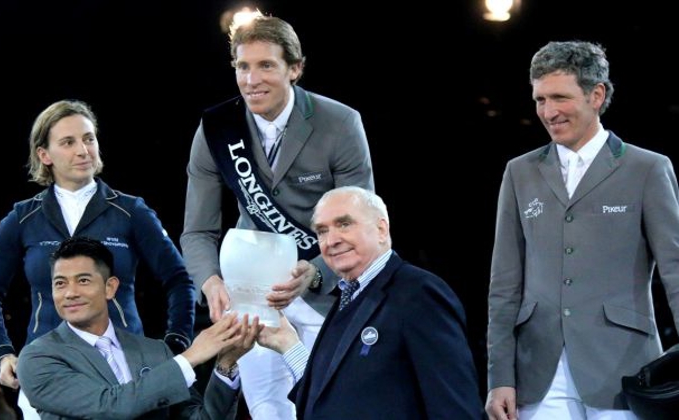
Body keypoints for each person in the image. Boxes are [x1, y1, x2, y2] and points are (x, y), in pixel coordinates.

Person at [180, 13, 374, 419]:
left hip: (329, 292)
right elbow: (197, 230)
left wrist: (316, 271)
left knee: (333, 406)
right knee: (268, 409)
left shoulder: (340, 123)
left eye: (266, 65)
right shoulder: (216, 129)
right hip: (253, 295)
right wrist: (210, 281)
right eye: (243, 67)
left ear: (295, 69)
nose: (252, 80)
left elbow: (362, 225)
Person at [486, 40, 679, 420]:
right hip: (537, 375)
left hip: (623, 370)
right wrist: (499, 377)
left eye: (560, 97)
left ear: (596, 94)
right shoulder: (519, 173)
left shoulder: (647, 169)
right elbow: (503, 285)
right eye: (540, 99)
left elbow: (676, 270)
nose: (548, 111)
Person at [0, 99, 196, 418]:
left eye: (89, 138)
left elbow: (179, 280)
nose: (83, 150)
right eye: (68, 142)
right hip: (48, 368)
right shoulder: (22, 218)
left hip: (125, 367)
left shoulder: (132, 212)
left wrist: (174, 344)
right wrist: (2, 353)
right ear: (44, 155)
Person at [256, 186, 484, 419]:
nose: (331, 240)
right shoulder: (347, 297)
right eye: (322, 231)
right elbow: (330, 397)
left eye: (344, 224)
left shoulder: (419, 293)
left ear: (381, 229)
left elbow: (456, 407)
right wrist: (288, 344)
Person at [17, 236, 261, 419]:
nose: (70, 293)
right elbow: (111, 407)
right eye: (60, 283)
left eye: (83, 280)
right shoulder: (38, 357)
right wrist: (191, 357)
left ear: (110, 288)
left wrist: (226, 365)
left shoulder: (156, 351)